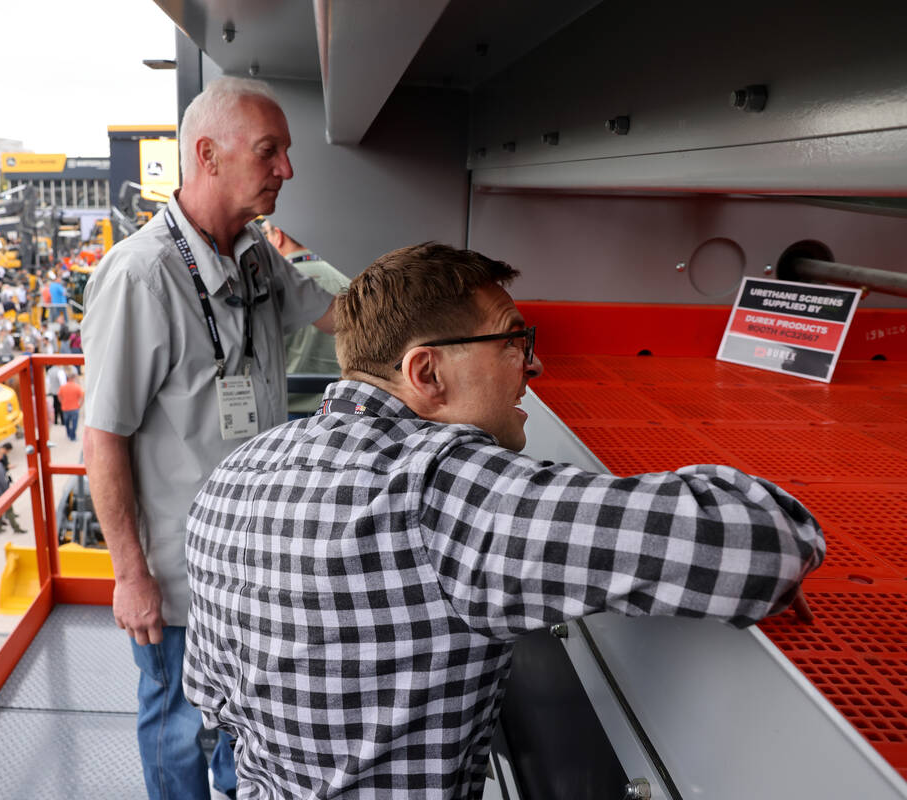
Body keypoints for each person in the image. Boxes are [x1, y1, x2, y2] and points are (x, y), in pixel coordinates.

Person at [183, 242, 827, 800]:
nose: (534, 365)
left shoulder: (237, 471)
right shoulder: (439, 486)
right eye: (515, 340)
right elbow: (759, 545)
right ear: (426, 371)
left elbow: (209, 698)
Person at [82, 76, 335, 800]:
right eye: (270, 151)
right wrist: (131, 577)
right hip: (180, 576)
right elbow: (103, 441)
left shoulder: (254, 254)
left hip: (250, 562)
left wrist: (450, 319)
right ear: (208, 156)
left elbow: (340, 316)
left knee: (239, 713)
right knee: (176, 722)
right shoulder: (142, 276)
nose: (286, 168)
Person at [261, 219, 350, 416]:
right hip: (337, 406)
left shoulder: (269, 284)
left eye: (267, 234)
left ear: (279, 236)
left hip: (287, 409)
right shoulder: (347, 278)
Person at [56, 368, 83, 441]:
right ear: (73, 378)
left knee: (67, 423)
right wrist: (79, 405)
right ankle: (72, 436)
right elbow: (82, 397)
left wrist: (62, 402)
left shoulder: (62, 387)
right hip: (75, 408)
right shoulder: (77, 387)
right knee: (74, 423)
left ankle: (68, 434)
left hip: (65, 408)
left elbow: (59, 397)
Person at [46, 361, 66, 426]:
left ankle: (55, 421)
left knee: (55, 405)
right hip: (59, 391)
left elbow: (48, 382)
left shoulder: (50, 371)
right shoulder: (60, 371)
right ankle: (63, 421)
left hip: (53, 391)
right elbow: (63, 382)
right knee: (60, 406)